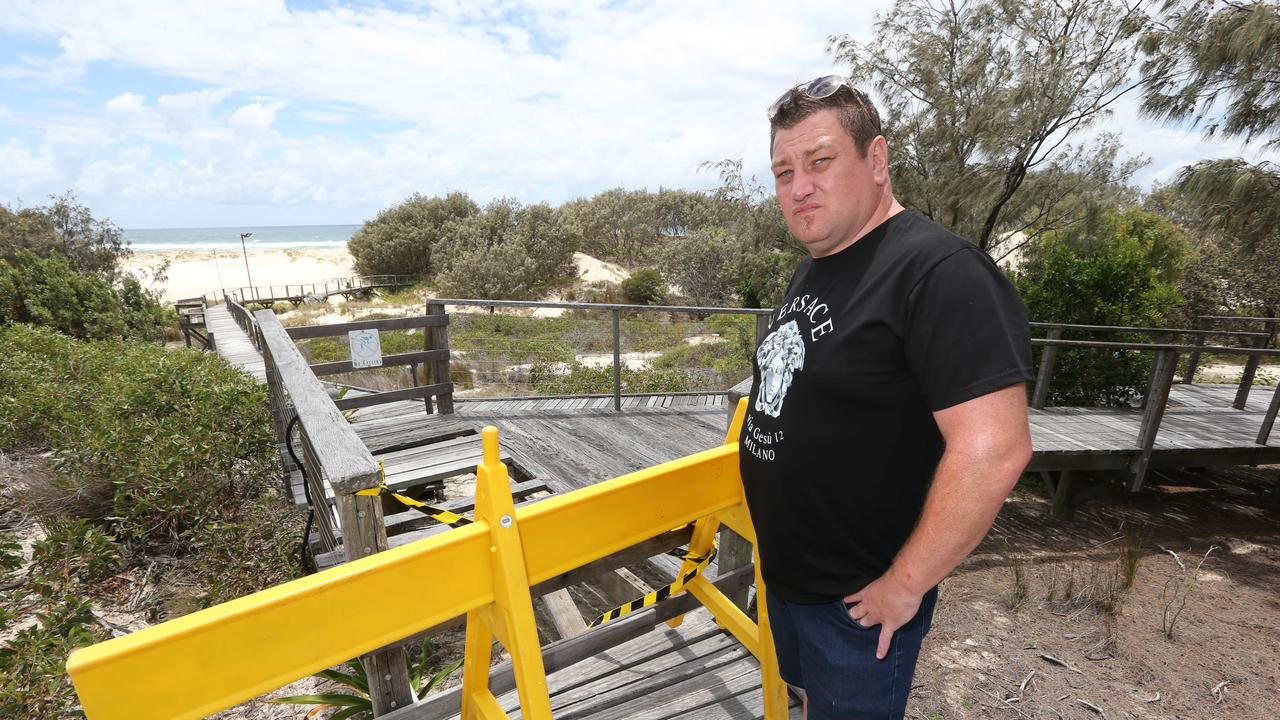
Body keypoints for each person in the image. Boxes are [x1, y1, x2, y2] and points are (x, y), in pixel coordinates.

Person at [740, 75, 1034, 719]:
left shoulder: (939, 272)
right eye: (783, 171)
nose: (799, 187)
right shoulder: (816, 264)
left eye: (819, 162)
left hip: (858, 603)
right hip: (792, 580)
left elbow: (995, 449)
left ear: (876, 161)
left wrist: (905, 585)